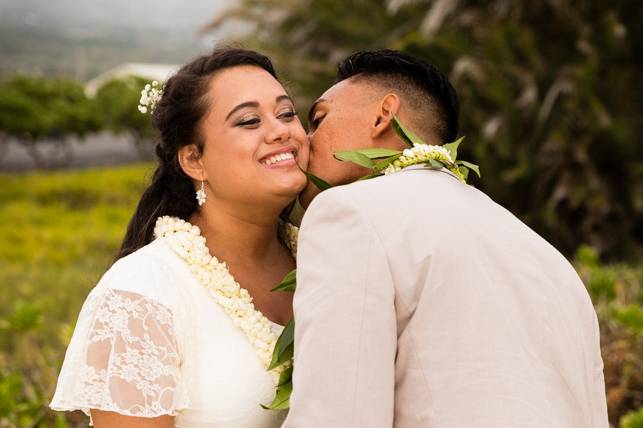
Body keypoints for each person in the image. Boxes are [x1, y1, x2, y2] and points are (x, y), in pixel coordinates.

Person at [284, 50, 608, 427]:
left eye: (319, 120)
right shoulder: (548, 257)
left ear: (382, 114)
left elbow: (339, 415)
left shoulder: (349, 214)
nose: (305, 143)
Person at [50, 47, 309, 428]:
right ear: (194, 160)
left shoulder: (331, 261)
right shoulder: (141, 294)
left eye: (287, 113)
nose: (281, 130)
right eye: (250, 120)